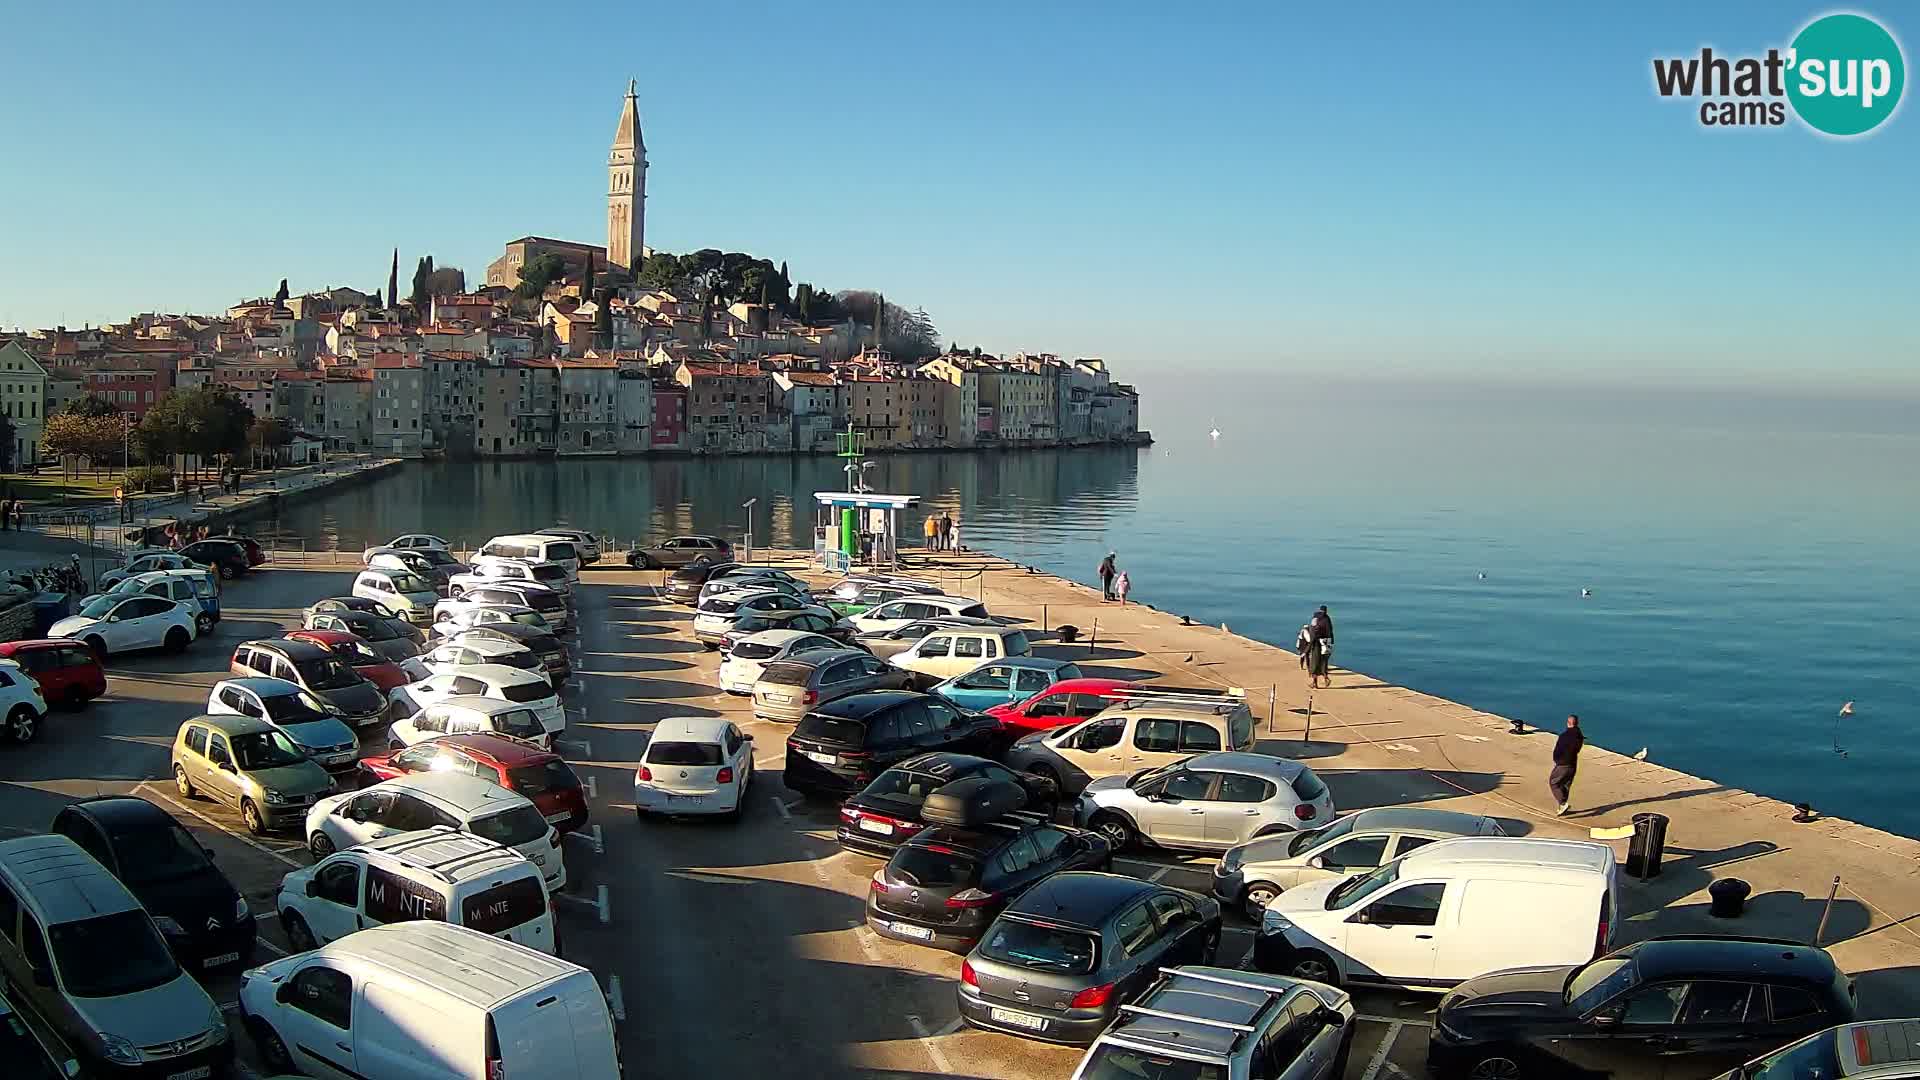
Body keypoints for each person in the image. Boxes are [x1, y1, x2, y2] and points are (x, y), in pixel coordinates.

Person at [1549, 714, 1584, 815]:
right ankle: (1562, 807)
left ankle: (1563, 803)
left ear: (1568, 723)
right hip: (1573, 762)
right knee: (1565, 784)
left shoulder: (1565, 736)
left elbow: (1559, 749)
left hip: (1564, 763)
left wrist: (1557, 760)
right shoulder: (1579, 735)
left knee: (1554, 782)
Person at [1306, 605, 1335, 689]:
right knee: (1323, 662)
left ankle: (1315, 683)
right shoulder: (1327, 619)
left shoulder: (1315, 618)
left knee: (1314, 664)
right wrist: (1331, 641)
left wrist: (1309, 646)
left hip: (1316, 643)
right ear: (1326, 611)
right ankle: (1326, 679)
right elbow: (1330, 631)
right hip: (1326, 643)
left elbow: (1313, 632)